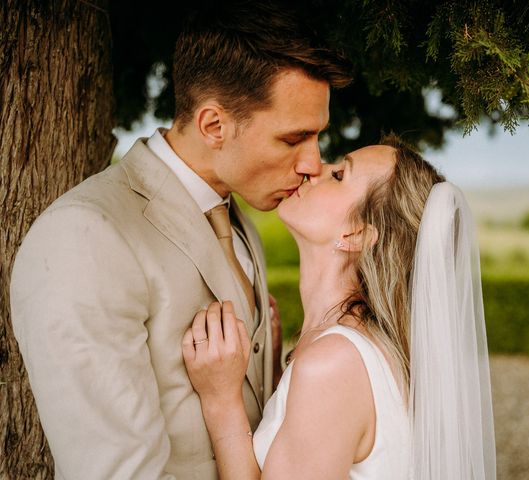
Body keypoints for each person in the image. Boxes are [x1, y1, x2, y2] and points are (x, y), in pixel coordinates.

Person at [10, 3, 350, 479]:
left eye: (317, 138)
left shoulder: (239, 220)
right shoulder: (85, 238)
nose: (313, 163)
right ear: (213, 125)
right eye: (293, 139)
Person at [183, 135, 497, 479]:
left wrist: (222, 401)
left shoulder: (334, 363)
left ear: (356, 234)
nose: (315, 168)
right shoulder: (347, 348)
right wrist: (275, 375)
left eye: (338, 175)